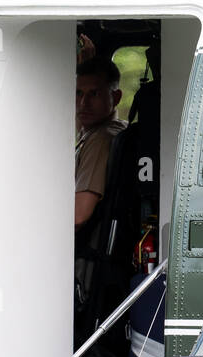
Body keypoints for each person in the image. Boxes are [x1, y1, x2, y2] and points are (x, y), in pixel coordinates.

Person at [75, 57, 127, 230]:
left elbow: (79, 215)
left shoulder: (100, 139)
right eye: (78, 93)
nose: (83, 103)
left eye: (94, 94)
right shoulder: (116, 127)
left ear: (116, 97)